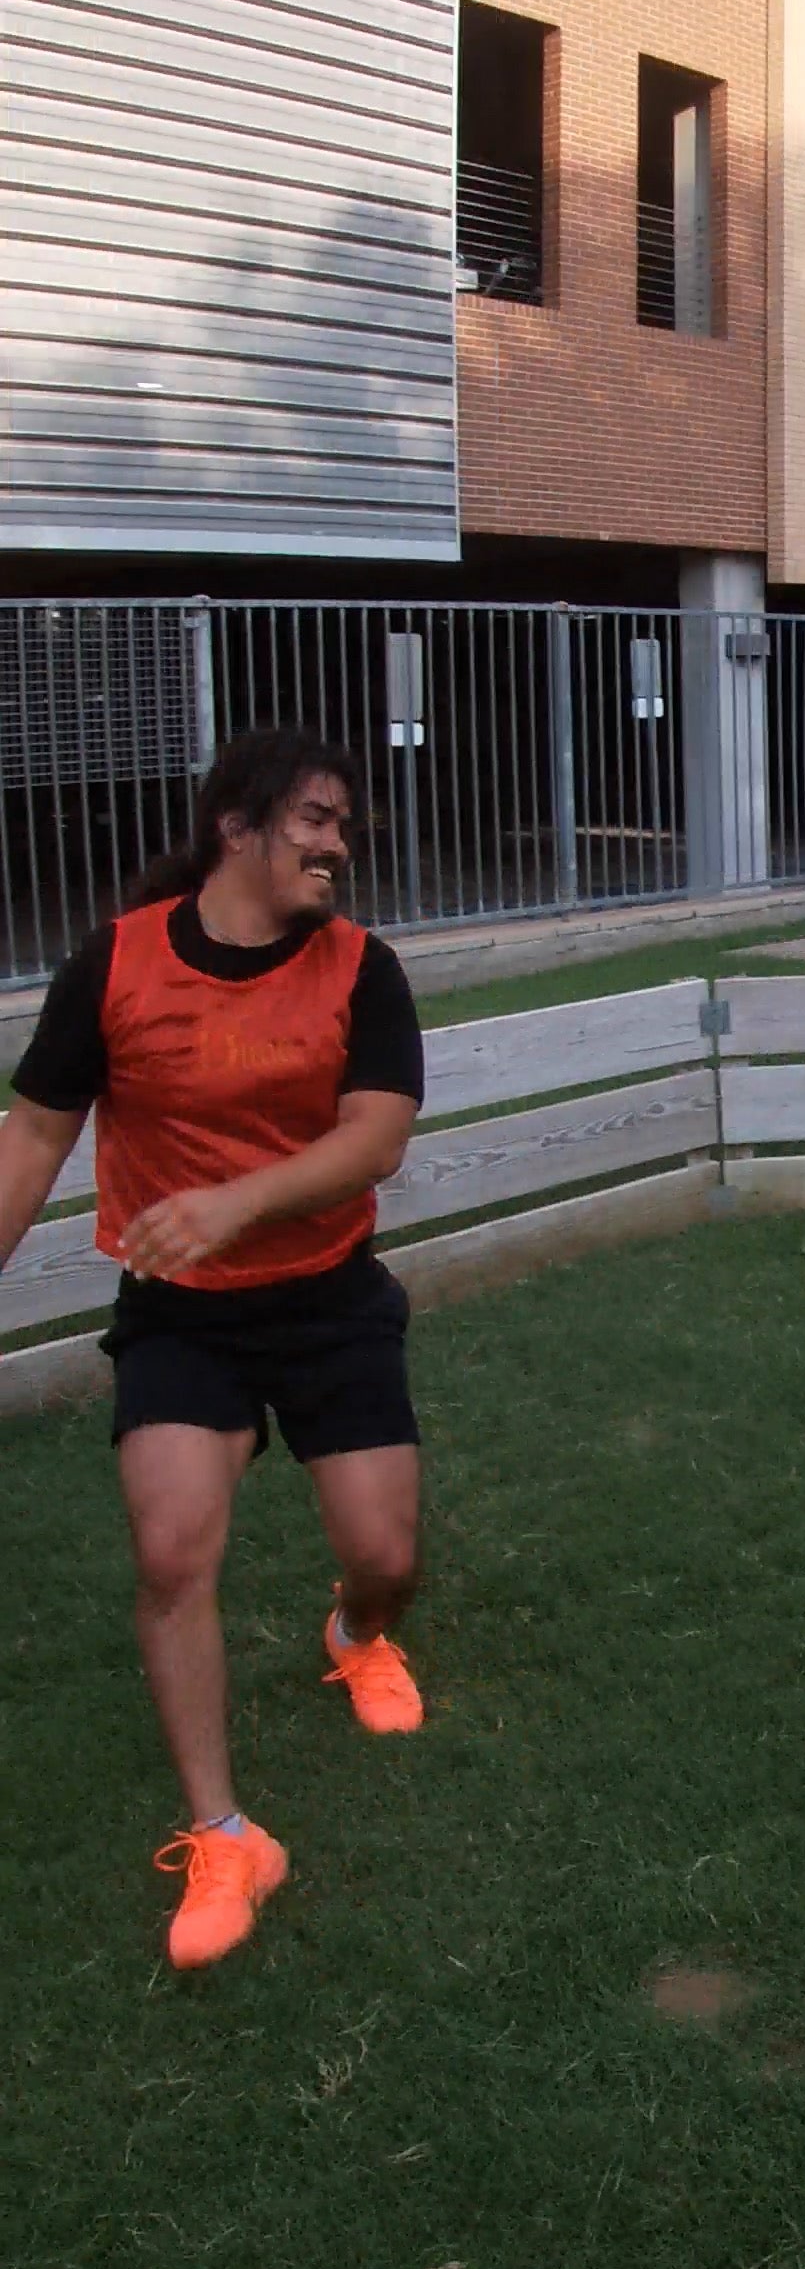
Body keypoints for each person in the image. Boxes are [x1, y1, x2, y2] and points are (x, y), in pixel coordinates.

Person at [0, 729, 428, 1971]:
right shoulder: (116, 964)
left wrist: (235, 1203)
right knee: (172, 1553)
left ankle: (358, 1636)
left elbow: (376, 1139)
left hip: (329, 1300)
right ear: (236, 827)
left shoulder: (362, 968)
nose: (338, 845)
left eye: (344, 825)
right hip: (183, 1316)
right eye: (314, 820)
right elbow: (34, 1135)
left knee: (386, 1556)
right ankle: (225, 1834)